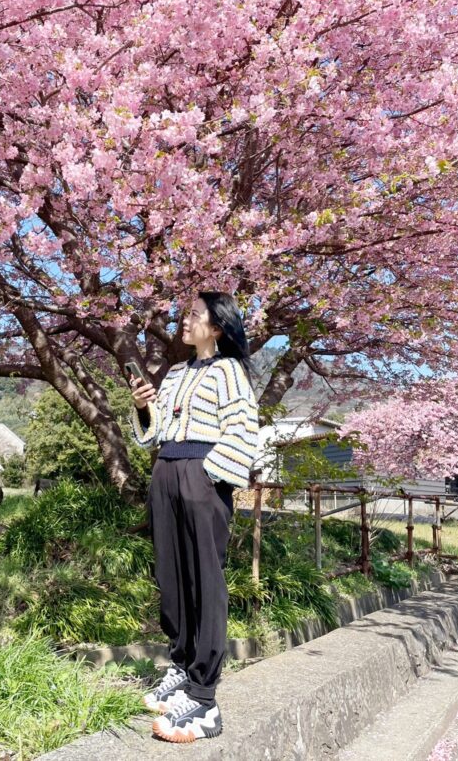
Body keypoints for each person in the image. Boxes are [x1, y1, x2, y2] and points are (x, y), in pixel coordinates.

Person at [128, 291, 263, 744]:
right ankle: (182, 669)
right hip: (165, 471)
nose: (184, 321)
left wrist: (207, 477)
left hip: (202, 478)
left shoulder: (230, 372)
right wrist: (145, 406)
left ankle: (205, 700)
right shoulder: (178, 372)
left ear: (217, 327)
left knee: (205, 581)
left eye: (193, 314)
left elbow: (244, 429)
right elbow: (157, 431)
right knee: (171, 577)